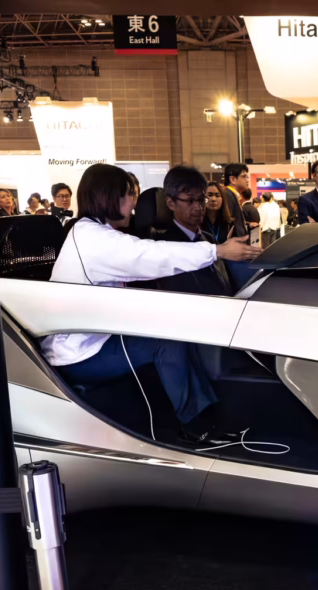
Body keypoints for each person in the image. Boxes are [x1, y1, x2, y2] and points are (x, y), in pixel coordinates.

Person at [40, 163, 261, 446]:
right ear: (108, 197)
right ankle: (196, 427)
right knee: (166, 343)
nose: (134, 202)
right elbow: (150, 256)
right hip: (79, 353)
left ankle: (204, 419)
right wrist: (216, 250)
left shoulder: (94, 233)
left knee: (170, 336)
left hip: (94, 339)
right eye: (128, 195)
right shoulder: (93, 238)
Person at [130, 165, 234, 296]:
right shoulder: (162, 248)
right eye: (190, 200)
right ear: (170, 203)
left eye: (201, 199)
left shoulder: (209, 239)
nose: (198, 207)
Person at [221, 163, 250, 238]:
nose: (247, 180)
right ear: (233, 179)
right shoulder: (228, 195)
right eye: (244, 176)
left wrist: (248, 224)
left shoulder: (233, 195)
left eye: (247, 177)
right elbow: (228, 223)